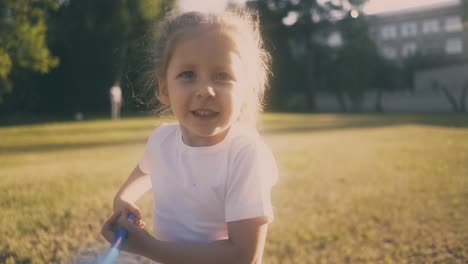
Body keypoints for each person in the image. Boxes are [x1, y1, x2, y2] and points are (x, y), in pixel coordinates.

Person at [101, 8, 278, 264]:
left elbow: (242, 256)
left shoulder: (246, 155)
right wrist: (123, 198)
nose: (205, 90)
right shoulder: (161, 141)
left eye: (222, 76)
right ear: (164, 88)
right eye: (188, 75)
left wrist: (150, 248)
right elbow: (145, 172)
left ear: (246, 90)